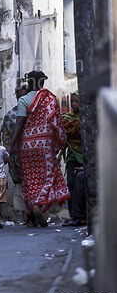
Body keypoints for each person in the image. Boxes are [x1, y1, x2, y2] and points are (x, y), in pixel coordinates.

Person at [7, 70, 71, 228]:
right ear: (43, 83)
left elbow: (19, 123)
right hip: (45, 145)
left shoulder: (23, 100)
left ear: (29, 83)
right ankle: (39, 206)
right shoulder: (50, 99)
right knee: (48, 177)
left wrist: (11, 145)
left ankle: (30, 218)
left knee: (29, 181)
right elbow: (57, 124)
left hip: (26, 146)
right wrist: (61, 143)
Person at [1, 82, 29, 184]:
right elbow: (6, 139)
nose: (22, 100)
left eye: (25, 97)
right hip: (17, 161)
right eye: (20, 97)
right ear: (17, 98)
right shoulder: (10, 116)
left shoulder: (36, 113)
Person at [62, 91, 83, 219]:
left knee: (80, 184)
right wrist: (60, 154)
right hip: (72, 154)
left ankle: (80, 213)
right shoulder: (67, 118)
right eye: (72, 102)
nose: (74, 104)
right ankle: (73, 215)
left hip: (85, 154)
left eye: (77, 101)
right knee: (70, 183)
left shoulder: (87, 118)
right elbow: (66, 137)